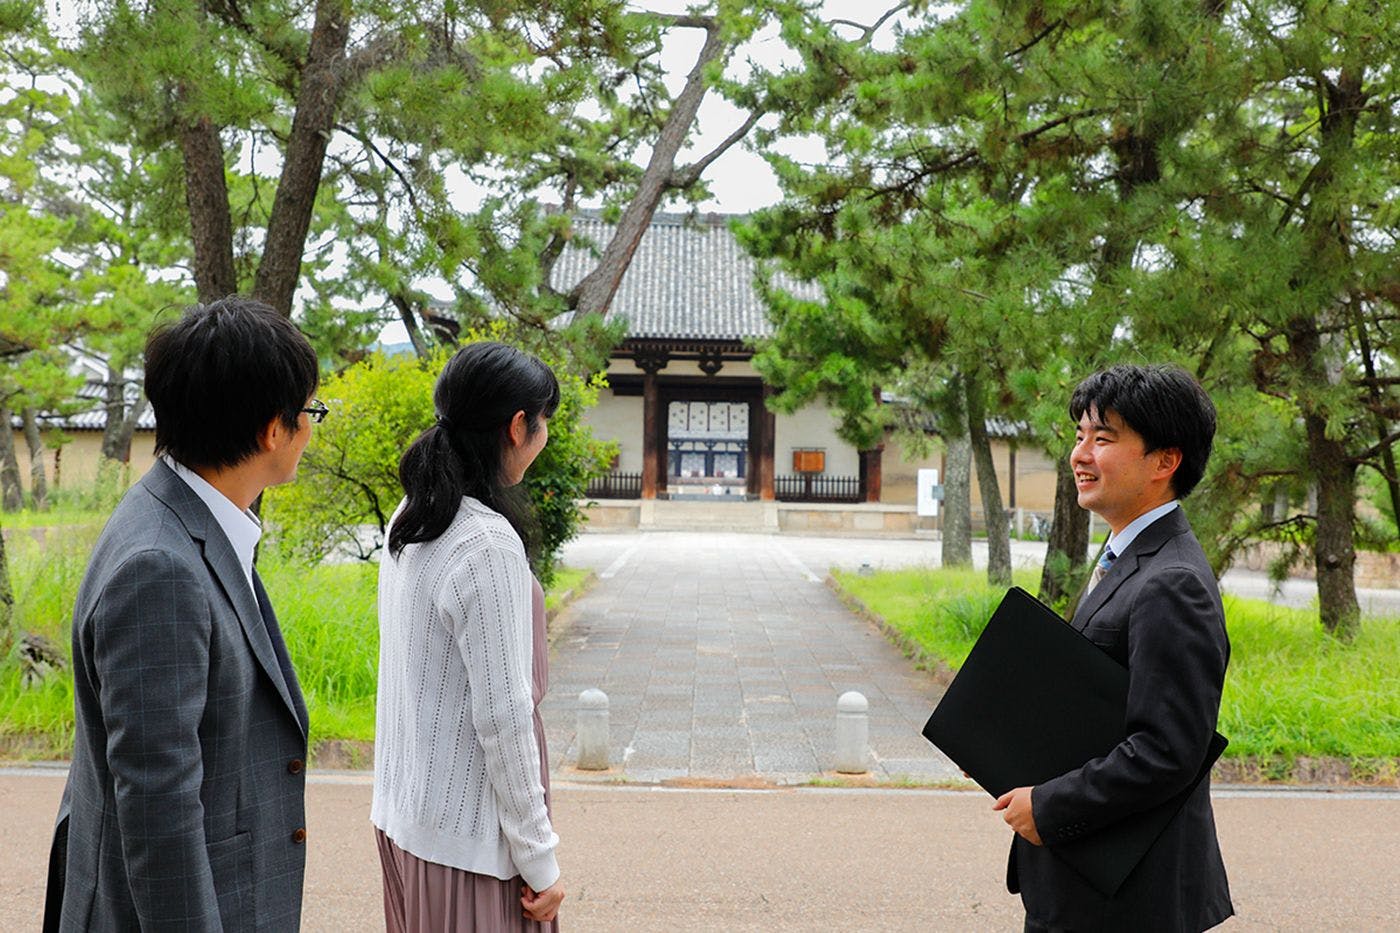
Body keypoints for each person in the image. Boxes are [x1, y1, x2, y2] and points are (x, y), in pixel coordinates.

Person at [45, 298, 322, 931]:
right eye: (309, 411)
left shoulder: (182, 514)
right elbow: (157, 805)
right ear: (271, 430)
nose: (311, 427)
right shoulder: (160, 566)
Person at [995, 363, 1233, 932]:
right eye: (1079, 436)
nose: (1080, 454)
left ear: (1165, 461)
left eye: (1103, 439)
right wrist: (1001, 750)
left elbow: (1167, 751)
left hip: (1127, 900)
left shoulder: (1172, 581)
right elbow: (1102, 702)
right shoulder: (1125, 557)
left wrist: (1049, 805)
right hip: (1090, 882)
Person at [372, 341, 565, 931]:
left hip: (406, 819)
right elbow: (503, 715)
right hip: (471, 845)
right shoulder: (486, 544)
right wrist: (540, 858)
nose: (546, 435)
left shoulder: (414, 515)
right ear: (517, 426)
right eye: (545, 421)